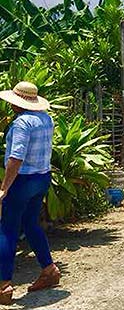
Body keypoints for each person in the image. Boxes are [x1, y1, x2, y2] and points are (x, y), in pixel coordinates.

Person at [0, 82, 60, 303]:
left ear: (18, 103)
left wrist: (3, 188)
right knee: (31, 223)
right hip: (42, 177)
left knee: (7, 229)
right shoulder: (46, 119)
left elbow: (16, 158)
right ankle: (49, 269)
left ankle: (3, 285)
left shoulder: (21, 124)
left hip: (22, 181)